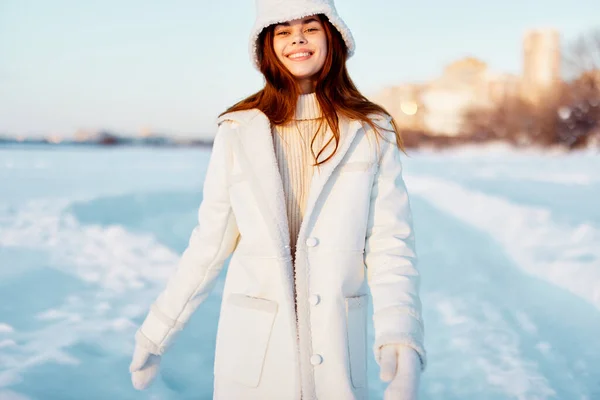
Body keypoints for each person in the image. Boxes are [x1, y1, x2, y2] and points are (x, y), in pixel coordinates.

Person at [128, 0, 426, 398]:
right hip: (254, 352)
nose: (297, 38)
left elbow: (391, 245)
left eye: (310, 27)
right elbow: (209, 244)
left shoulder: (370, 128)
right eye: (282, 31)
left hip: (336, 346)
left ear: (333, 36)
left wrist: (401, 337)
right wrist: (156, 332)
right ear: (267, 46)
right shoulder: (238, 129)